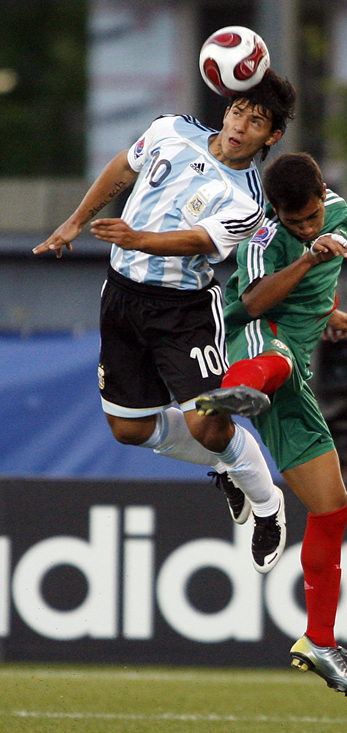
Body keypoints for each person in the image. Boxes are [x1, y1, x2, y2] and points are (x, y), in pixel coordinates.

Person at [32, 70, 296, 575]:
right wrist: (77, 219)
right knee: (127, 429)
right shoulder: (170, 129)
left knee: (210, 427)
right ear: (226, 109)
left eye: (257, 121)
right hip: (122, 298)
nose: (241, 125)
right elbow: (122, 168)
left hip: (183, 312)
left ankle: (268, 508)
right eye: (238, 111)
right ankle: (226, 468)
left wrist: (139, 240)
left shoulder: (248, 201)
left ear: (272, 136)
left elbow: (198, 241)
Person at [196, 152, 347, 698]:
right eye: (296, 222)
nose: (307, 227)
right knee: (278, 361)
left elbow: (327, 272)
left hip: (294, 352)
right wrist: (305, 259)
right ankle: (230, 412)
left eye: (312, 216)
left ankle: (317, 640)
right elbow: (249, 302)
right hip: (248, 334)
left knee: (332, 507)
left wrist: (330, 309)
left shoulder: (338, 213)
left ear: (324, 190)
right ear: (276, 211)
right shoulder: (263, 238)